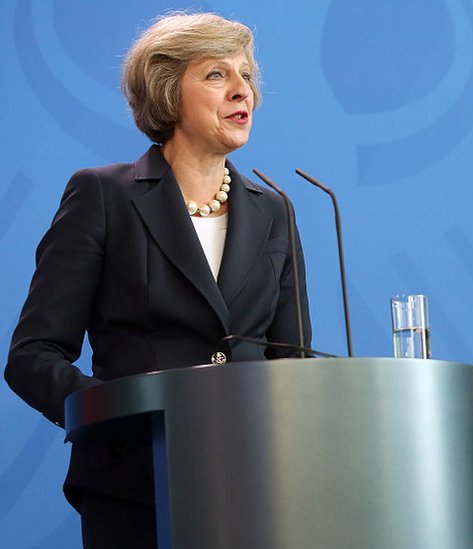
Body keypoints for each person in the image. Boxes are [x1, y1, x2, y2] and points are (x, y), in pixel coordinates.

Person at [4, 12, 311, 548]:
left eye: (247, 75)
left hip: (256, 488)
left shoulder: (275, 210)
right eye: (217, 75)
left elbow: (293, 363)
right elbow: (33, 357)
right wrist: (120, 419)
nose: (244, 91)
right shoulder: (103, 196)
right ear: (169, 92)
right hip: (135, 485)